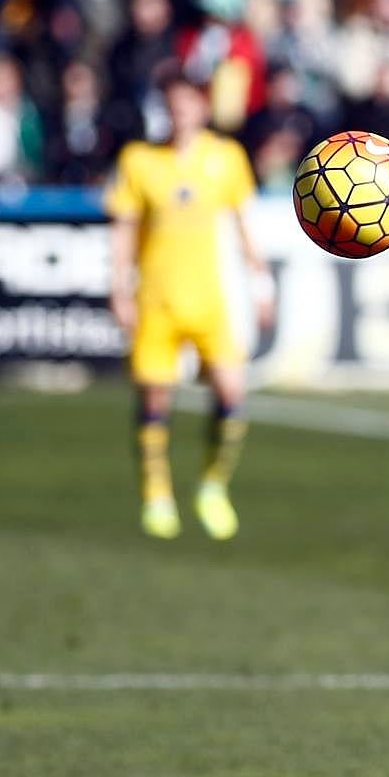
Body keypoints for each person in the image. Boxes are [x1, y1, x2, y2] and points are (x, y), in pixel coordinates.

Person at [106, 65, 275, 540]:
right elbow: (122, 230)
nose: (180, 112)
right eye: (172, 104)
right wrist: (119, 289)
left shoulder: (227, 157)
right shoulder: (139, 160)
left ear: (202, 106)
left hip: (210, 299)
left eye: (187, 103)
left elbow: (244, 228)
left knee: (231, 394)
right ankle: (156, 494)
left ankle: (212, 486)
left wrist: (262, 286)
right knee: (155, 400)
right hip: (156, 299)